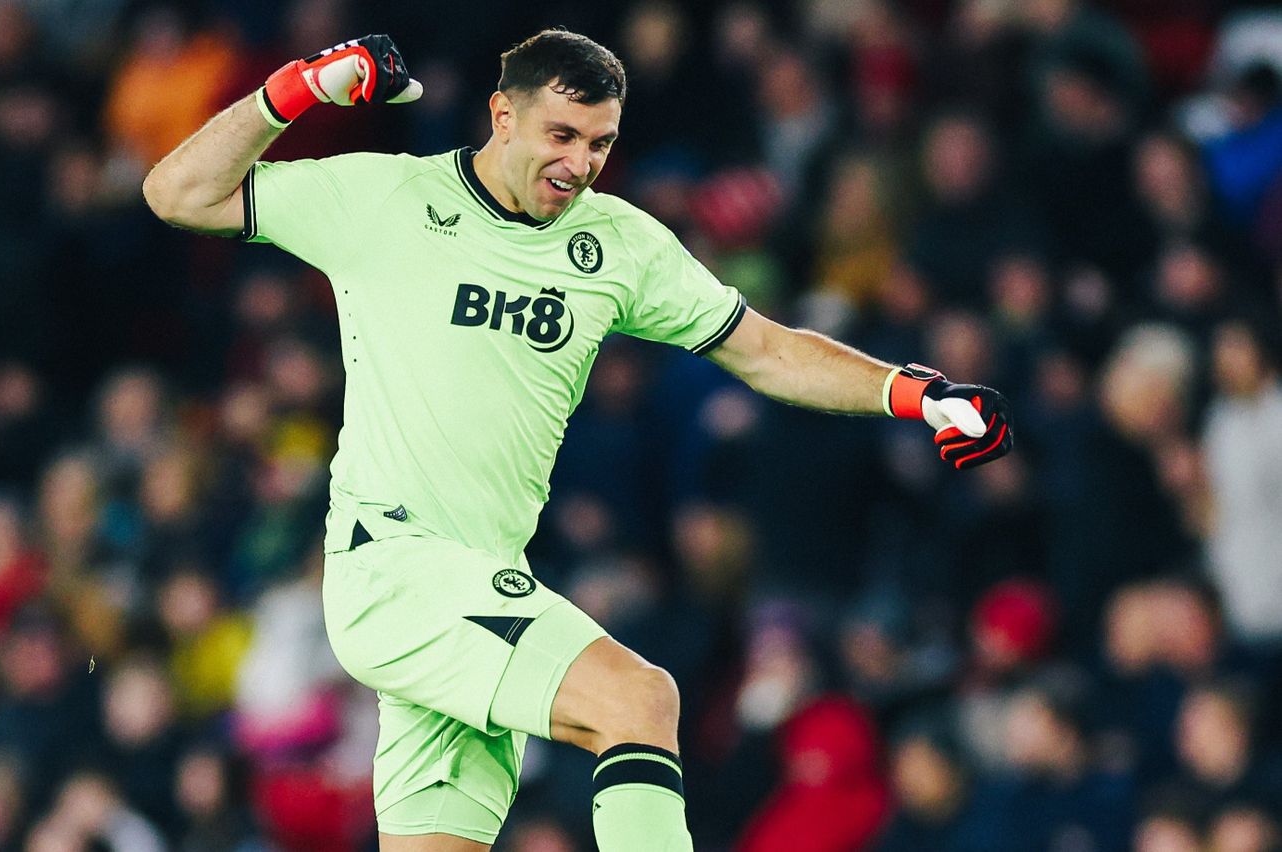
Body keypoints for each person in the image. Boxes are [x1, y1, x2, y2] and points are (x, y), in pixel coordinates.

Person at [141, 29, 1014, 852]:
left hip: (482, 581)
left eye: (599, 143)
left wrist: (916, 393)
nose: (579, 164)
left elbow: (767, 351)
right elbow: (177, 193)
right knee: (640, 697)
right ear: (502, 115)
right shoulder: (387, 197)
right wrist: (299, 90)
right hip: (397, 568)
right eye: (561, 135)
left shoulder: (619, 243)